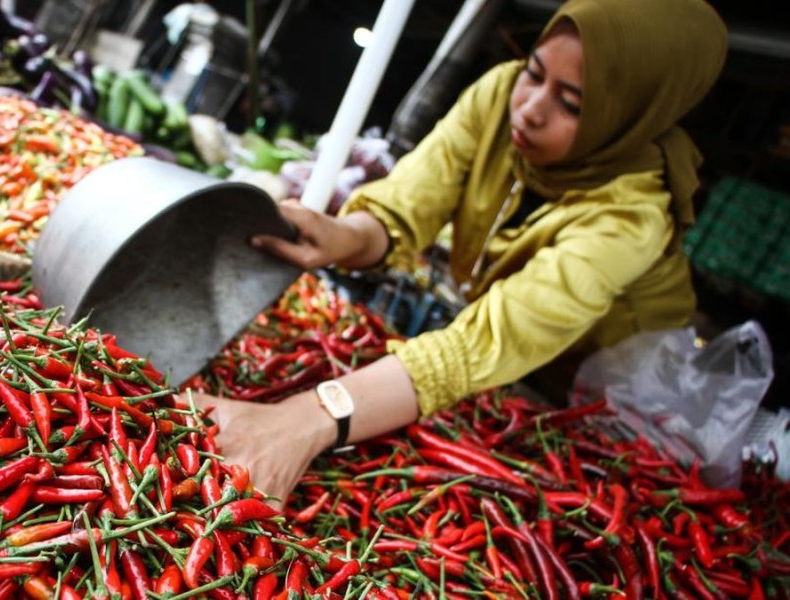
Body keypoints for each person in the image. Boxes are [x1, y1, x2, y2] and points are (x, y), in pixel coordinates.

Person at [187, 0, 729, 506]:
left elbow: (490, 341)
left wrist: (309, 417)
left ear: (630, 117)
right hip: (501, 374)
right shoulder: (500, 95)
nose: (531, 108)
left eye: (572, 104)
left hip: (603, 397)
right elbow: (411, 202)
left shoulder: (633, 215)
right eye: (534, 72)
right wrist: (347, 235)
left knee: (573, 490)